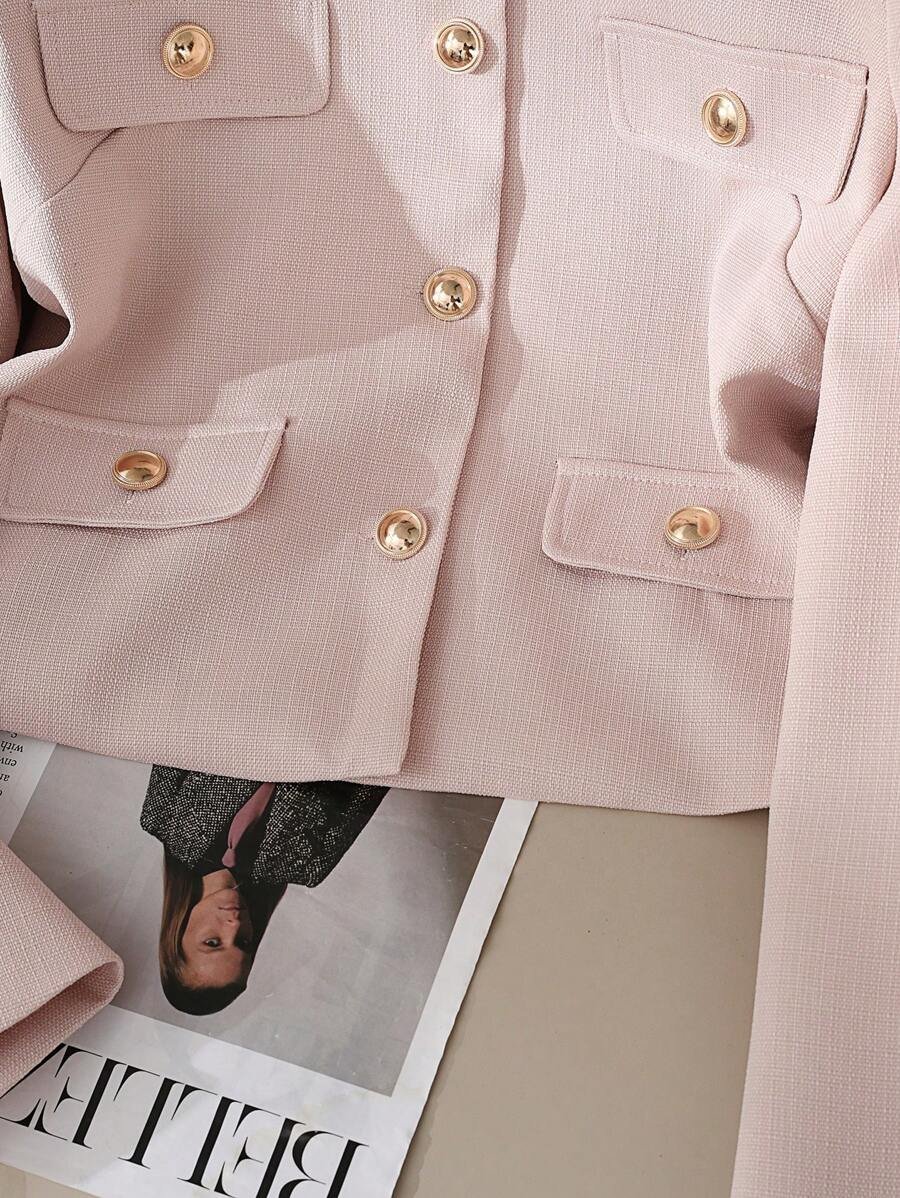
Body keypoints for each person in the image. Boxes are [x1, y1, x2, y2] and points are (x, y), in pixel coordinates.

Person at [141, 769, 388, 1014]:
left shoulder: (160, 817)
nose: (234, 925)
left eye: (213, 942)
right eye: (243, 942)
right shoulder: (308, 866)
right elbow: (373, 778)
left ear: (177, 936)